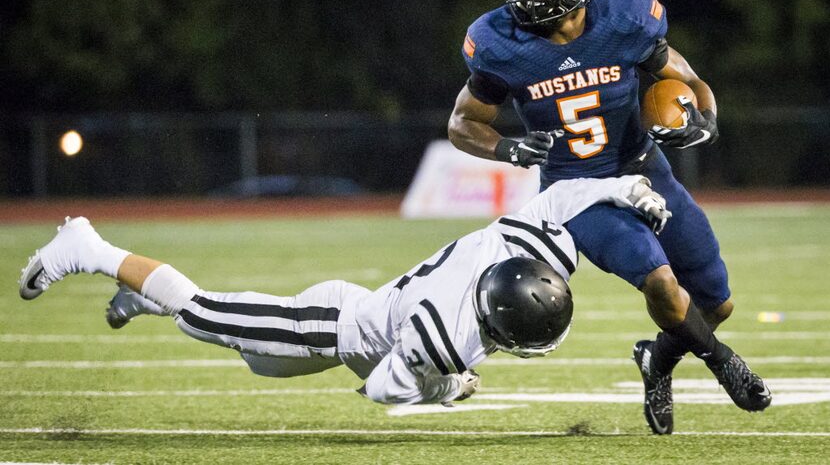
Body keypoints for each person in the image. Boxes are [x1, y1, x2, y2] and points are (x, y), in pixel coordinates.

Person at [447, 0, 770, 433]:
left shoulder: (625, 18)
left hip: (643, 170)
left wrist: (703, 120)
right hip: (577, 193)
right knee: (661, 282)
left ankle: (657, 361)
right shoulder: (501, 43)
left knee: (716, 301)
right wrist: (508, 147)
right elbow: (463, 123)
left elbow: (688, 81)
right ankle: (723, 363)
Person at [18, 176, 669, 406]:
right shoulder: (444, 334)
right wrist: (447, 385)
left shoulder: (525, 247)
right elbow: (381, 384)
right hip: (329, 325)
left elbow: (560, 196)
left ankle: (141, 294)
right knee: (203, 312)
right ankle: (88, 247)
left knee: (240, 349)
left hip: (352, 316)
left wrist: (625, 187)